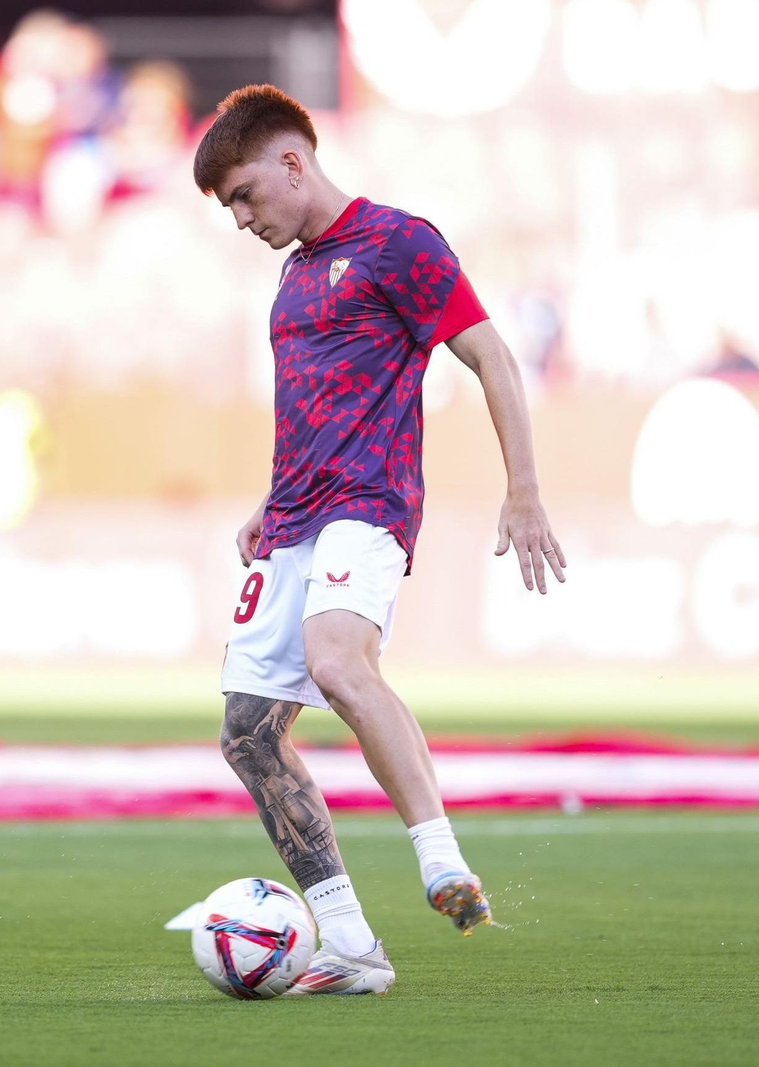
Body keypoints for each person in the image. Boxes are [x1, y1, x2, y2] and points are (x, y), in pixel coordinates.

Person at [191, 86, 566, 995]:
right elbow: (317, 404)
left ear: (292, 163)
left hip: (368, 503)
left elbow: (491, 355)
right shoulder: (293, 278)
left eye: (244, 195)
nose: (241, 219)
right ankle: (352, 942)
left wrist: (522, 489)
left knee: (336, 660)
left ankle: (440, 858)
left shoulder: (400, 243)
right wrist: (269, 499)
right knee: (246, 732)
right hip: (293, 518)